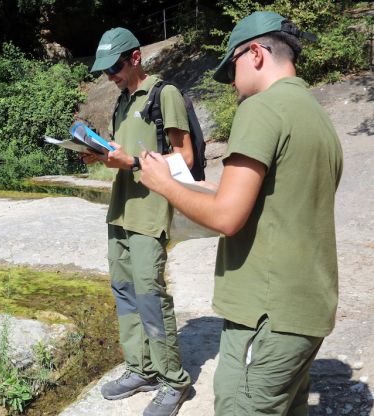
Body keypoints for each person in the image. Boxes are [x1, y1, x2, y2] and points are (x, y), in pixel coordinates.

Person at [139, 11, 343, 416]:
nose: (232, 83)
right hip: (306, 311)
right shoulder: (316, 114)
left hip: (266, 314)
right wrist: (210, 191)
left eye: (231, 68)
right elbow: (285, 203)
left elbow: (227, 218)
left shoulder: (262, 109)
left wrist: (164, 183)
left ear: (255, 53)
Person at [82, 27, 194, 416]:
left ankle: (172, 379)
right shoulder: (121, 102)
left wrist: (130, 162)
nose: (109, 76)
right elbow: (122, 150)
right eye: (104, 72)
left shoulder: (165, 95)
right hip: (120, 208)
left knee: (149, 293)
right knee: (124, 289)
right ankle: (139, 368)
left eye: (113, 67)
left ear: (135, 58)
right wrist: (100, 154)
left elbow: (186, 158)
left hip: (150, 211)